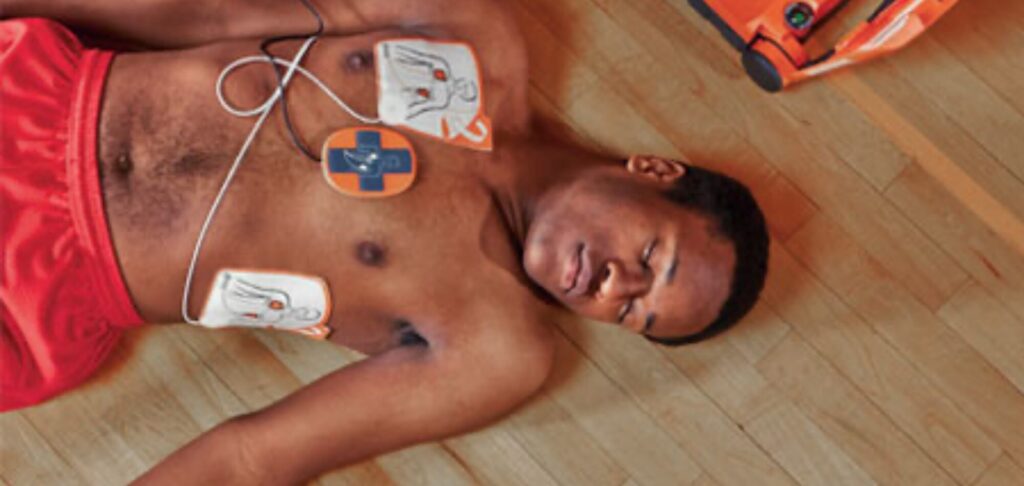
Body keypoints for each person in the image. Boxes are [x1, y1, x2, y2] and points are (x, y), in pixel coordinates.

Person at [0, 0, 769, 482]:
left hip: (38, 293)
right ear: (654, 171)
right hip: (36, 93)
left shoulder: (494, 346)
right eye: (650, 259)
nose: (614, 286)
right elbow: (208, 15)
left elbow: (256, 456)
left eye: (632, 313)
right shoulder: (473, 33)